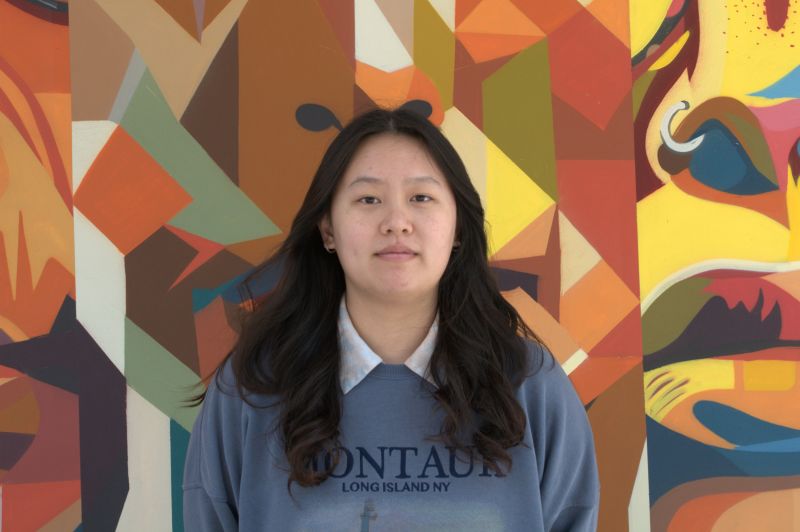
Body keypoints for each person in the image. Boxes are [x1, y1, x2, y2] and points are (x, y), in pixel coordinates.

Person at [182, 108, 600, 531]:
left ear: (457, 228)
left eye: (421, 198)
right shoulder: (251, 389)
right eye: (368, 199)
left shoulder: (532, 388)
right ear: (327, 228)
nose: (396, 223)